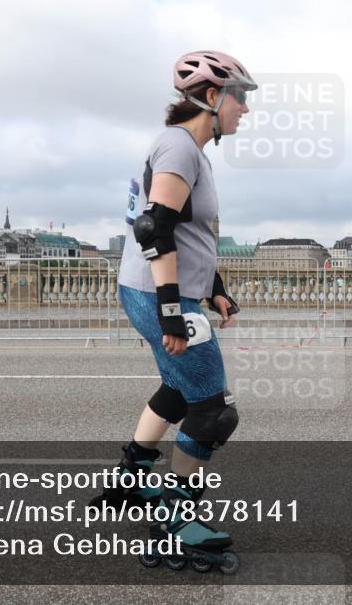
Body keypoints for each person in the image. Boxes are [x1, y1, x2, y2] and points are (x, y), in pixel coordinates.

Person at [94, 50, 255, 573]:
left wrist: (216, 286)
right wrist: (172, 313)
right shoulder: (180, 148)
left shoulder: (188, 149)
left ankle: (133, 476)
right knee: (213, 410)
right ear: (212, 98)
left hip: (160, 290)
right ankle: (176, 521)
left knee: (177, 390)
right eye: (240, 99)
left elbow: (188, 231)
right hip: (161, 295)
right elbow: (154, 229)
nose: (244, 111)